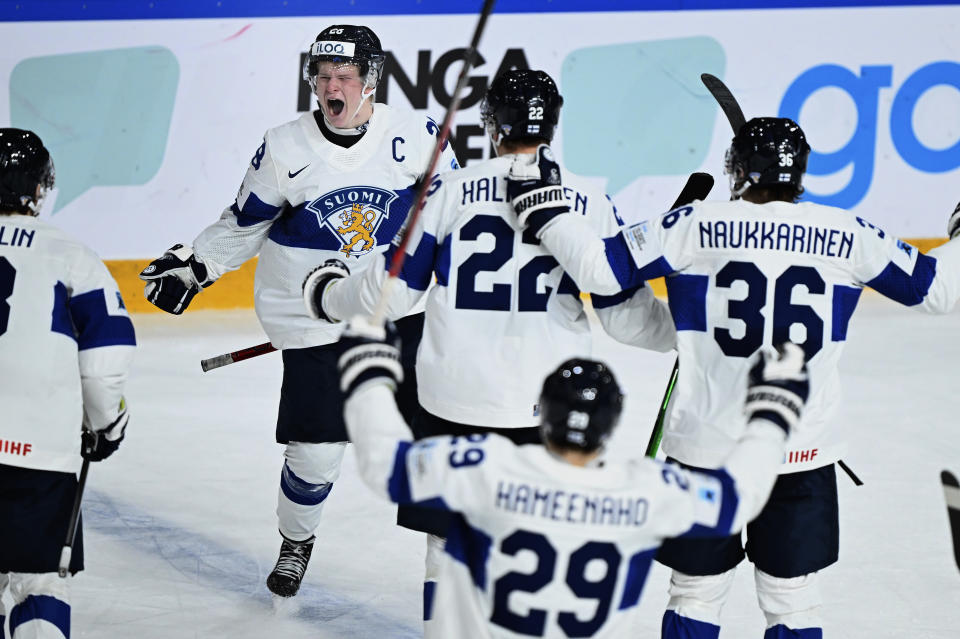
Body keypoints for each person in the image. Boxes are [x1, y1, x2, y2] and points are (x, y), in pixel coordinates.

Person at [503, 117, 960, 638]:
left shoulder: (697, 223)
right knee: (794, 602)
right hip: (801, 450)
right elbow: (939, 290)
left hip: (704, 448)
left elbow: (603, 274)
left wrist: (551, 216)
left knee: (696, 592)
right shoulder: (847, 232)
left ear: (738, 169)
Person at [303, 69, 675, 627]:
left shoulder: (448, 192)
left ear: (491, 125)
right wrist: (691, 334)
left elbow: (393, 292)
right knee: (537, 539)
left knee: (446, 545)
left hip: (453, 397)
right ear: (552, 123)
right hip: (549, 405)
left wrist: (328, 296)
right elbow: (626, 320)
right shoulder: (590, 200)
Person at [138, 25, 460, 599]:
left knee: (438, 436)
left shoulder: (416, 135)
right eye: (321, 77)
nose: (330, 89)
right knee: (314, 453)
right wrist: (197, 266)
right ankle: (296, 539)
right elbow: (246, 222)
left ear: (372, 81)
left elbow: (456, 220)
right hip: (314, 320)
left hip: (399, 315)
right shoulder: (285, 146)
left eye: (344, 78)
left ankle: (449, 563)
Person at [333, 315, 810, 638]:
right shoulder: (644, 490)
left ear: (543, 415)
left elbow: (387, 466)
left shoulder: (486, 465)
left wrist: (367, 375)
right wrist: (773, 412)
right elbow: (736, 499)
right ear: (611, 425)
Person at [0, 128, 136, 638]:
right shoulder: (72, 257)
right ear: (38, 189)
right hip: (41, 453)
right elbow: (105, 361)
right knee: (40, 587)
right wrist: (108, 424)